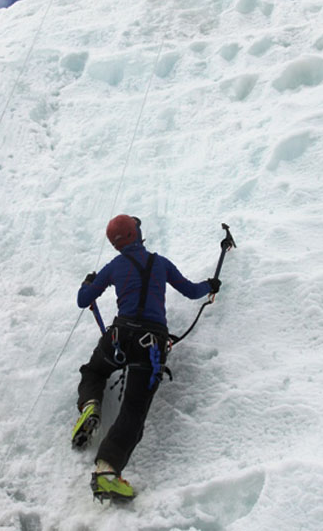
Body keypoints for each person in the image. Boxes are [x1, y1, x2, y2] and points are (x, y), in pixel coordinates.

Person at [71, 214, 222, 501]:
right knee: (133, 411)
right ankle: (106, 471)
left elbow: (83, 299)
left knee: (94, 372)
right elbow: (191, 291)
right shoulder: (160, 263)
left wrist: (88, 282)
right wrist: (210, 286)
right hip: (151, 344)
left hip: (120, 337)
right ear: (136, 233)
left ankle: (90, 404)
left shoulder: (115, 265)